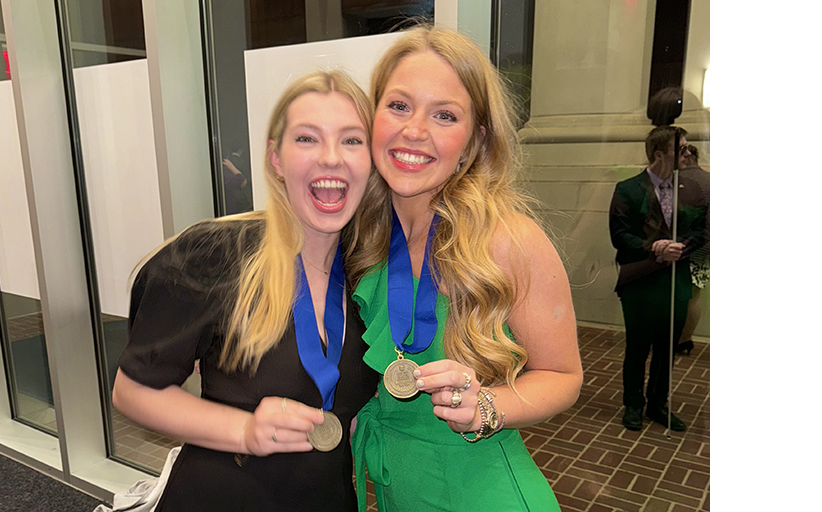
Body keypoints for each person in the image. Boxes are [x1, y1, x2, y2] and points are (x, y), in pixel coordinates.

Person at [111, 70, 380, 512]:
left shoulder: (368, 274)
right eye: (307, 139)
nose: (332, 158)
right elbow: (132, 391)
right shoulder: (213, 254)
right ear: (275, 158)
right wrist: (244, 431)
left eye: (352, 140)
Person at [345, 26, 583, 511]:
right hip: (397, 489)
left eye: (445, 115)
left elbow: (563, 374)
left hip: (486, 494)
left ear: (474, 141)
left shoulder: (509, 239)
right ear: (371, 118)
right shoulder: (361, 237)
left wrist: (488, 407)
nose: (415, 130)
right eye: (398, 105)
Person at [609, 126, 707, 432]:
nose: (689, 154)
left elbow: (704, 229)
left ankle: (658, 404)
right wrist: (652, 247)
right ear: (659, 154)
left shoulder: (692, 190)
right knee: (637, 346)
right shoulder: (628, 189)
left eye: (689, 148)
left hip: (676, 279)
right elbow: (619, 235)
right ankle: (633, 405)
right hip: (639, 279)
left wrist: (681, 247)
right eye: (682, 150)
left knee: (668, 347)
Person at [676, 144, 710, 356]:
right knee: (694, 293)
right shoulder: (710, 179)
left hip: (685, 244)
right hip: (705, 245)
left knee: (682, 295)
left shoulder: (682, 182)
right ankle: (685, 339)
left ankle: (678, 339)